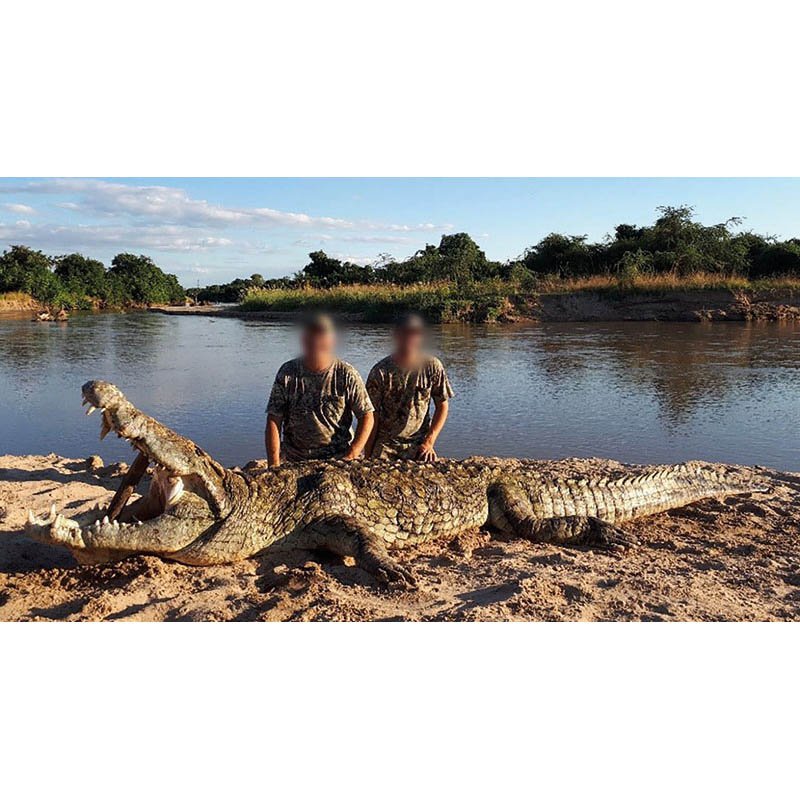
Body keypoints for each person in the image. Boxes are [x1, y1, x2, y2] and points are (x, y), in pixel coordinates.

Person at [265, 314, 374, 466]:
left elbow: (367, 416)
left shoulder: (346, 374)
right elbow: (274, 419)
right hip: (295, 459)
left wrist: (352, 454)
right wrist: (273, 464)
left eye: (322, 335)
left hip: (337, 460)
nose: (316, 341)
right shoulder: (287, 373)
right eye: (311, 335)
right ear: (304, 340)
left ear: (332, 341)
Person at [365, 314, 453, 462]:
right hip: (386, 445)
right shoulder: (380, 371)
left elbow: (442, 406)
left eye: (414, 334)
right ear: (396, 336)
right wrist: (368, 454)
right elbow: (371, 416)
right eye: (404, 334)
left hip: (418, 443)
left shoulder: (432, 366)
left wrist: (429, 442)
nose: (409, 339)